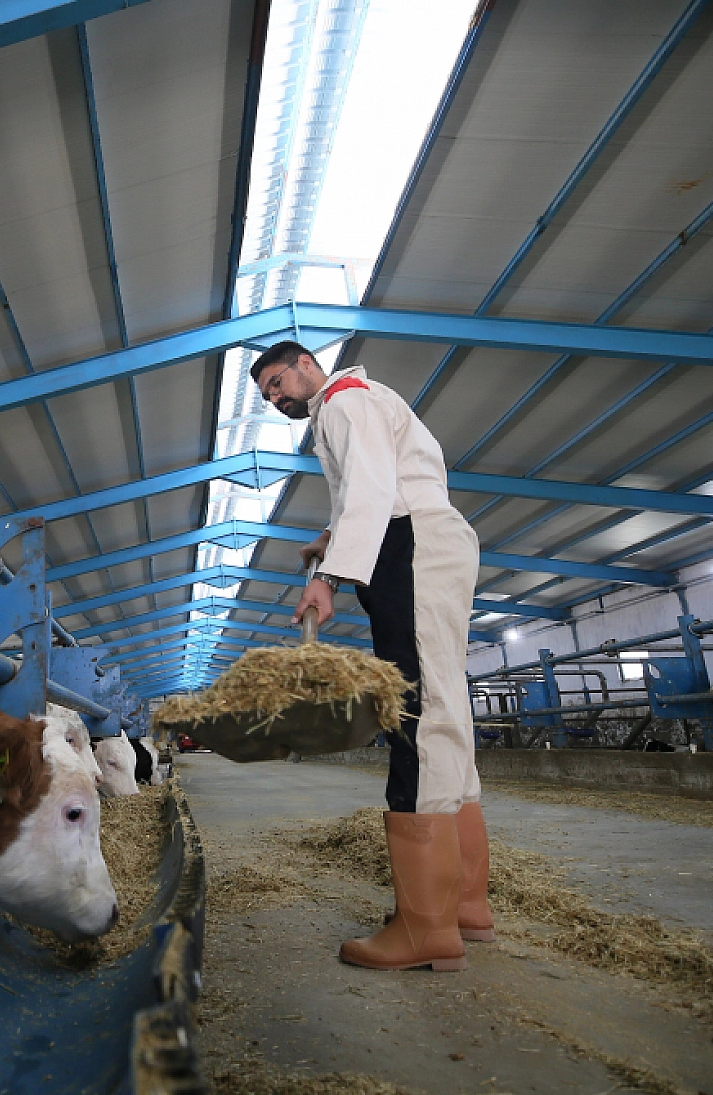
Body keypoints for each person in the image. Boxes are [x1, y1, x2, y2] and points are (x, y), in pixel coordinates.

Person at [250, 341, 492, 973]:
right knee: (445, 707)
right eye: (269, 397)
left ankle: (425, 926)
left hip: (407, 548)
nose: (278, 399)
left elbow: (374, 492)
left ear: (307, 363)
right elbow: (397, 480)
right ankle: (463, 903)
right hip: (427, 540)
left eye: (279, 382)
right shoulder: (372, 401)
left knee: (416, 714)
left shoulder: (342, 403)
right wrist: (331, 540)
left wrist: (327, 578)